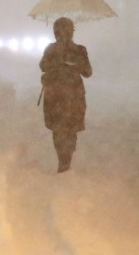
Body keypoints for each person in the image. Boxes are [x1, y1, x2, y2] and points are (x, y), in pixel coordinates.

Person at [39, 16, 92, 173]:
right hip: (60, 96)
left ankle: (65, 160)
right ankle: (64, 160)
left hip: (68, 96)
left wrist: (74, 63)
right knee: (63, 129)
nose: (62, 34)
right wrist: (58, 62)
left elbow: (88, 71)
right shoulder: (51, 49)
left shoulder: (79, 50)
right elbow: (43, 66)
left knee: (66, 129)